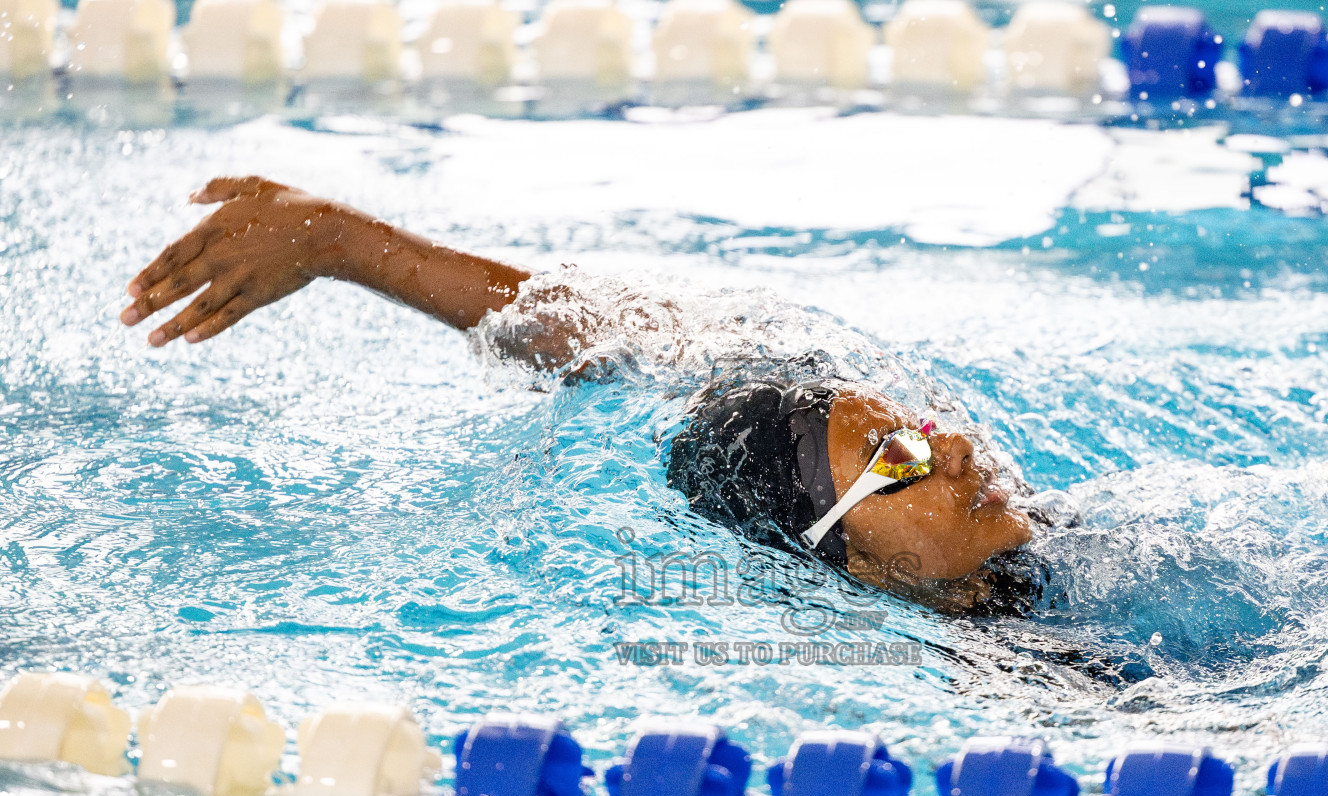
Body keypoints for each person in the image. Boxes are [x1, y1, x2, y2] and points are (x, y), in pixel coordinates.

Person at [121, 176, 1061, 615]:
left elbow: (609, 333)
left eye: (923, 430)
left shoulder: (1061, 544)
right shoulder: (1014, 680)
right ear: (861, 569)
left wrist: (342, 242)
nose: (962, 452)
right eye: (904, 463)